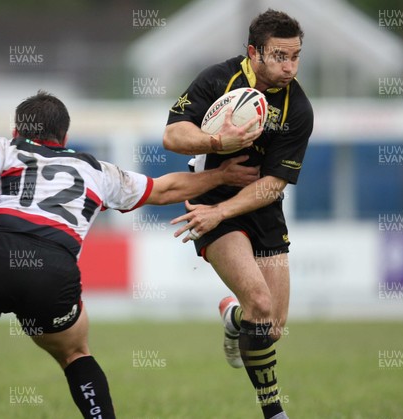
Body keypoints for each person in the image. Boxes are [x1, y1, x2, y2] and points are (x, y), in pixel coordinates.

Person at [0, 91, 259, 419]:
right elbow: (164, 189)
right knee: (76, 355)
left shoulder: (6, 147)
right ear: (65, 136)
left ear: (17, 131)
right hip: (54, 269)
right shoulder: (96, 169)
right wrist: (222, 176)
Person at [163, 9, 313, 419]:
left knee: (271, 326)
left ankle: (233, 316)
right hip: (211, 201)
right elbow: (172, 134)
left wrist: (224, 211)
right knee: (260, 303)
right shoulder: (217, 79)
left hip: (259, 207)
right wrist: (216, 141)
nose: (290, 67)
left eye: (296, 56)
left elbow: (273, 185)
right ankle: (275, 412)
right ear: (254, 52)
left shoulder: (298, 108)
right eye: (280, 56)